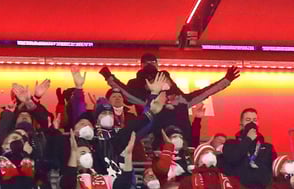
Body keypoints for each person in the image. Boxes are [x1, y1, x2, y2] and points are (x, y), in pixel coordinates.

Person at [99, 60, 240, 145]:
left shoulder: (183, 99)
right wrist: (109, 76)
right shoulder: (150, 99)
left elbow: (207, 91)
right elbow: (126, 92)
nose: (163, 82)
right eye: (158, 80)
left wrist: (226, 80)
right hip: (160, 145)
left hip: (185, 144)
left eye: (165, 79)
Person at [59, 130, 135, 189]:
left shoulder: (104, 178)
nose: (87, 156)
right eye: (82, 153)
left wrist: (128, 157)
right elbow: (68, 184)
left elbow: (122, 186)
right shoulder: (64, 179)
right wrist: (73, 152)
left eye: (89, 153)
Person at [178, 143, 257, 189]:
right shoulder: (188, 180)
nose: (210, 155)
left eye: (212, 153)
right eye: (205, 153)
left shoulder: (228, 179)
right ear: (197, 160)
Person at [221, 108, 275, 189]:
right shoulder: (231, 144)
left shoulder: (268, 147)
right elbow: (232, 158)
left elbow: (273, 171)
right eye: (248, 120)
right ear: (241, 125)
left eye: (255, 120)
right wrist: (248, 139)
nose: (252, 123)